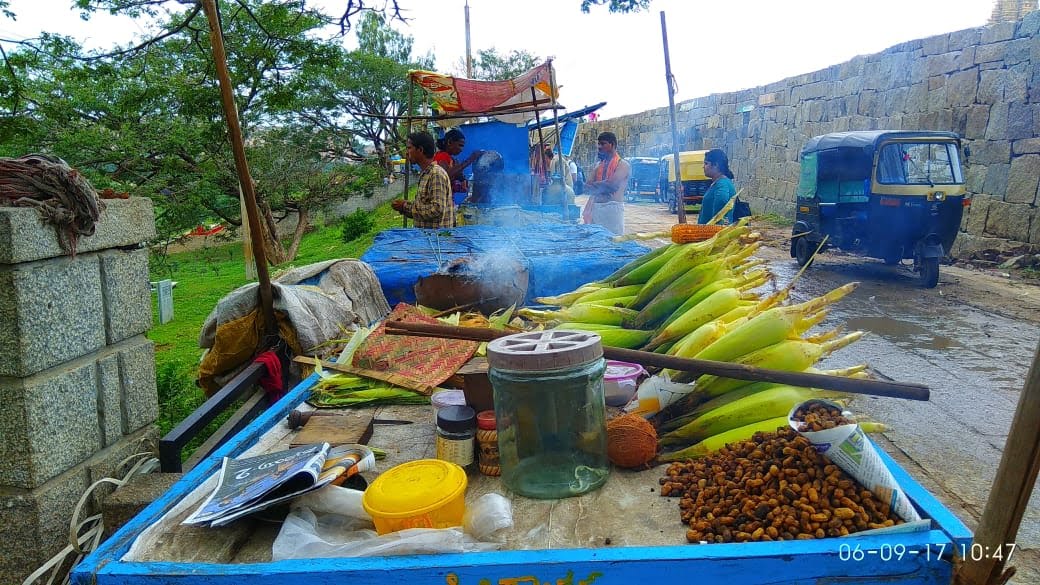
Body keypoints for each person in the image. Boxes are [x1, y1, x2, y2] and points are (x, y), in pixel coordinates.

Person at [391, 132, 454, 228]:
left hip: (436, 239)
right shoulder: (426, 173)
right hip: (427, 238)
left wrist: (405, 206)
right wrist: (404, 207)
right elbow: (423, 207)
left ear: (420, 149)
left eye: (409, 148)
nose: (406, 152)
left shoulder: (436, 174)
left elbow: (436, 209)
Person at [582, 131, 631, 235]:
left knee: (613, 242)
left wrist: (596, 184)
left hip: (613, 210)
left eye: (603, 144)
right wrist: (601, 184)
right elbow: (586, 187)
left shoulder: (623, 164)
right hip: (597, 208)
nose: (599, 147)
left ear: (612, 144)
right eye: (598, 144)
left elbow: (612, 185)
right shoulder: (598, 165)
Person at [433, 128, 483, 205]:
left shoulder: (452, 160)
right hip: (439, 202)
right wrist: (470, 159)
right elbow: (445, 175)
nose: (461, 149)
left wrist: (461, 177)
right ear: (450, 142)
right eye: (460, 145)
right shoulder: (441, 156)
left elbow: (463, 187)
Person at [697, 148, 737, 225]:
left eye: (706, 163)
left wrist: (716, 223)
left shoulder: (722, 183)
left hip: (714, 233)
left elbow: (722, 200)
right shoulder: (720, 182)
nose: (703, 167)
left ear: (715, 165)